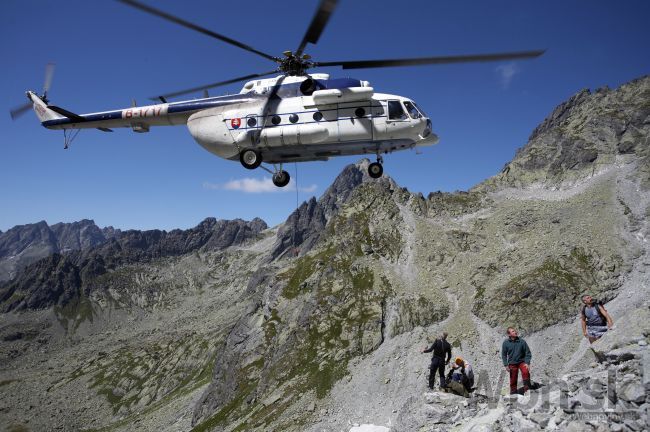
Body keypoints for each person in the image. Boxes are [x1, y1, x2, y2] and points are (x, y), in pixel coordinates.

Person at [501, 327, 532, 395]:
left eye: (515, 331)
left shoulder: (522, 341)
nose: (515, 332)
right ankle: (513, 393)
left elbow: (528, 353)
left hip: (522, 362)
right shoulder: (505, 343)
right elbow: (503, 355)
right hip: (512, 363)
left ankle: (527, 390)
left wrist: (527, 363)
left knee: (526, 372)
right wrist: (506, 364)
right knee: (513, 379)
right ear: (509, 334)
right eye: (513, 331)